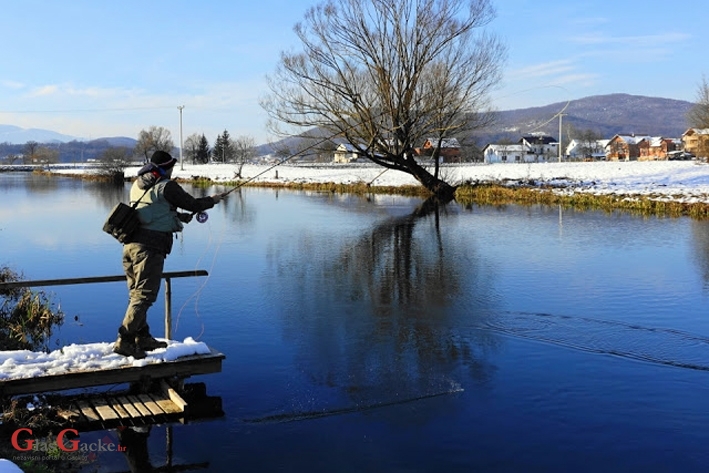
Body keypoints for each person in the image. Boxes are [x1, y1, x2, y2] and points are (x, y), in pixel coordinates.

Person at [113, 150, 225, 359]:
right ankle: (125, 339)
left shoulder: (139, 183)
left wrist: (178, 217)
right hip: (149, 248)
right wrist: (212, 200)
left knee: (136, 294)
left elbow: (150, 211)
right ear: (166, 168)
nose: (173, 171)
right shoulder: (167, 186)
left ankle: (142, 336)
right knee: (144, 295)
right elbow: (193, 203)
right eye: (172, 167)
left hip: (130, 246)